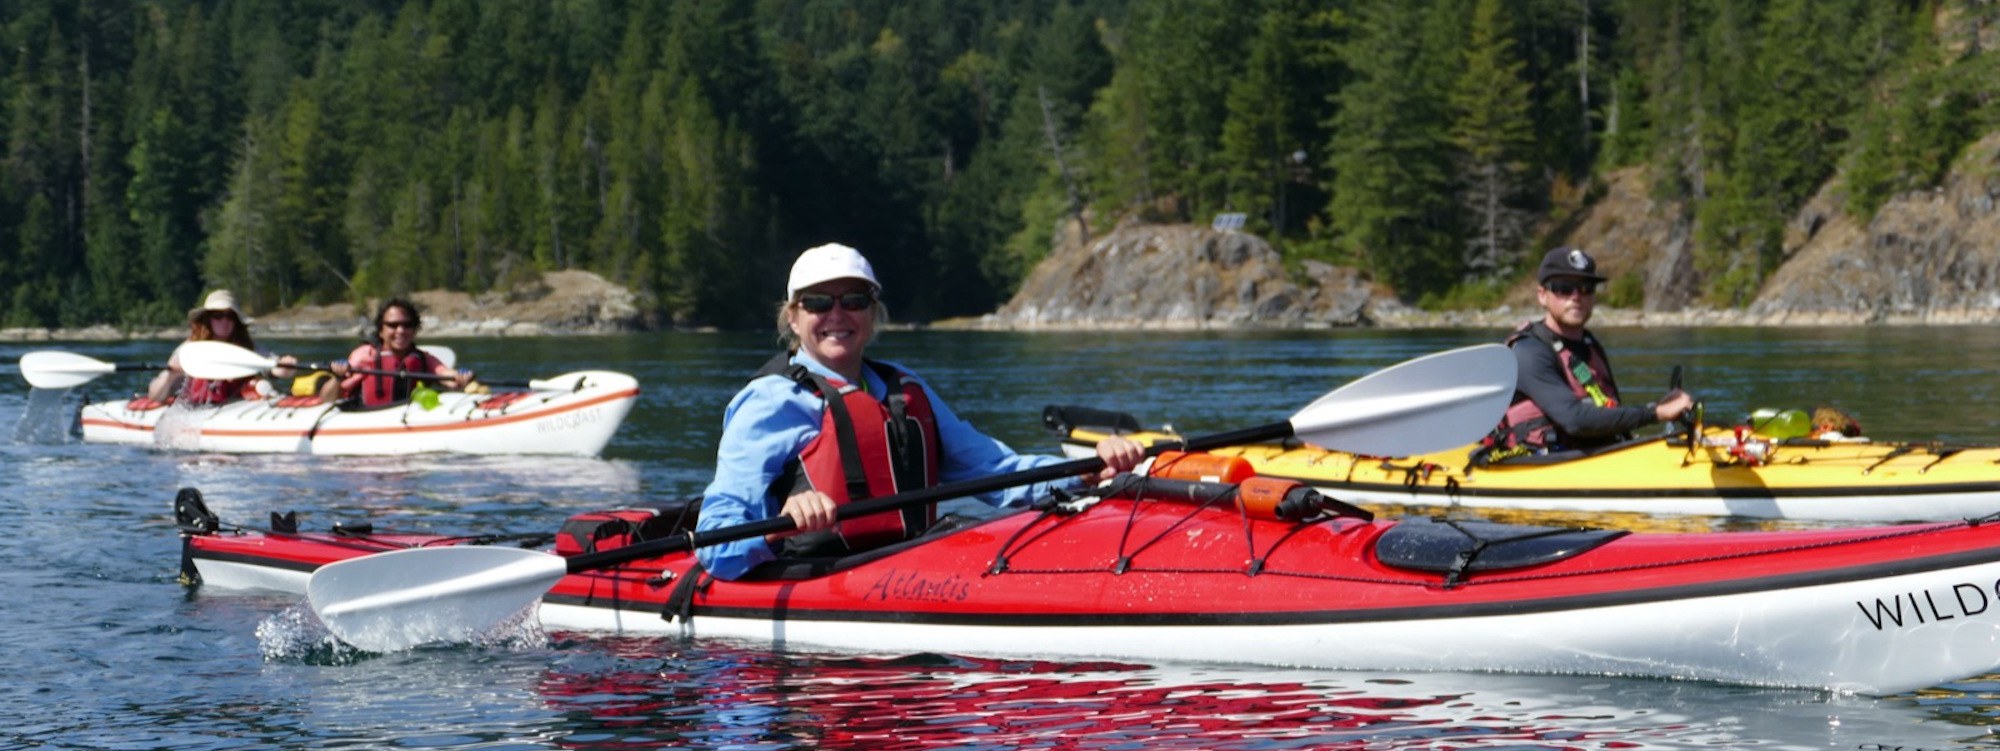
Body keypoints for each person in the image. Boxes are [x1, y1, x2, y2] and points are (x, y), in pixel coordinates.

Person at [696, 243, 1146, 581]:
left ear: (872, 315)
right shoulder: (771, 401)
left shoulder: (903, 388)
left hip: (907, 571)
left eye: (854, 301)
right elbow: (717, 544)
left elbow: (998, 473)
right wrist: (778, 525)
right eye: (817, 302)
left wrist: (1087, 471)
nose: (837, 314)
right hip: (814, 581)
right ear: (793, 318)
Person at [1484, 247, 1693, 457]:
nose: (1576, 296)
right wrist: (1655, 412)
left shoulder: (1589, 344)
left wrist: (1663, 407)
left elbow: (1607, 411)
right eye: (1564, 288)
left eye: (1586, 287)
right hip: (1543, 466)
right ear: (1542, 296)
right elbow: (1574, 420)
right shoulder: (1529, 352)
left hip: (1594, 457)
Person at [319, 298, 474, 407]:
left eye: (407, 325)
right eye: (393, 325)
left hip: (407, 420)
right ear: (381, 330)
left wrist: (461, 378)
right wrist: (338, 376)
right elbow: (327, 398)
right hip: (369, 419)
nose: (400, 331)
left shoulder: (424, 359)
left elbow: (449, 378)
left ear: (414, 330)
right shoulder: (365, 355)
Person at [149, 290, 296, 404]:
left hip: (238, 406)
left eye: (230, 316)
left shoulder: (248, 349)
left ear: (236, 321)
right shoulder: (189, 350)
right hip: (197, 408)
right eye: (218, 316)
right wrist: (170, 376)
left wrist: (284, 370)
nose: (224, 321)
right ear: (208, 319)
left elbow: (274, 366)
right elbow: (155, 396)